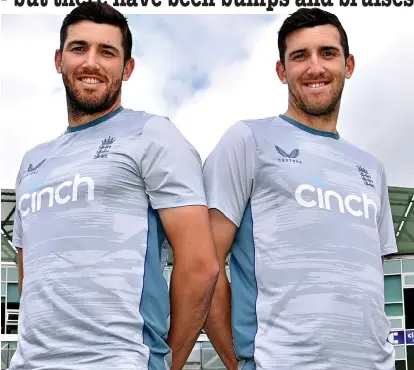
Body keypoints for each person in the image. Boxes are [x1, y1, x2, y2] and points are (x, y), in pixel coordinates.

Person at [10, 2, 219, 369]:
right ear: (59, 60)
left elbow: (201, 264)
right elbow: (29, 276)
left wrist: (166, 363)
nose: (91, 63)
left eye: (107, 52)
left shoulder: (152, 134)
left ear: (127, 67)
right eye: (79, 48)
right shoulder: (32, 161)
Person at [202, 8, 397, 370]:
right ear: (282, 71)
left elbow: (371, 288)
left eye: (327, 53)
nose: (315, 67)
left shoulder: (372, 167)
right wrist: (238, 361)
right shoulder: (248, 140)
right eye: (299, 56)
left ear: (348, 65)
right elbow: (203, 266)